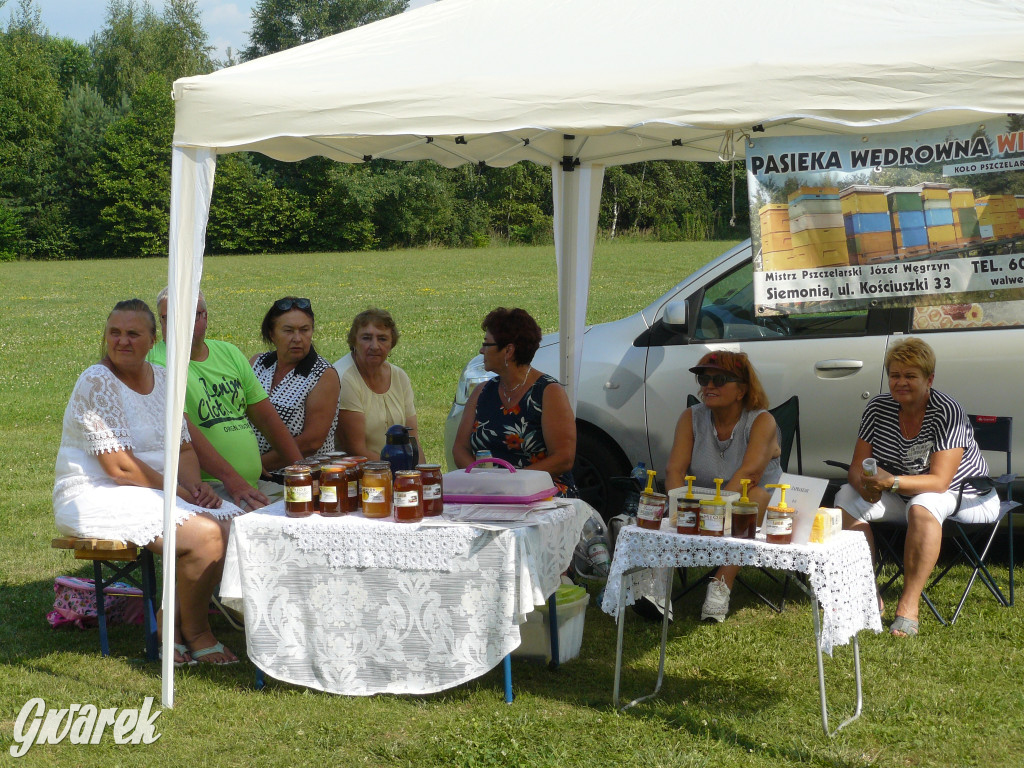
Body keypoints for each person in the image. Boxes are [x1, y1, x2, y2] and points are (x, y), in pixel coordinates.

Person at [54, 299, 243, 665]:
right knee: (205, 535)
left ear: (152, 339)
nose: (122, 341)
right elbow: (120, 468)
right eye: (114, 332)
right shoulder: (96, 381)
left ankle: (168, 621)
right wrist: (180, 492)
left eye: (133, 333)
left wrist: (196, 488)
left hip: (156, 488)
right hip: (97, 492)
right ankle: (195, 632)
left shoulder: (165, 379)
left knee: (234, 523)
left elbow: (184, 449)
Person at [835, 337, 998, 637]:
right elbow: (857, 466)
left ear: (929, 379)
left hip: (966, 495)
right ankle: (868, 595)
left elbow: (939, 482)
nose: (901, 382)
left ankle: (909, 605)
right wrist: (864, 486)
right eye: (895, 375)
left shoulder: (947, 410)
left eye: (910, 376)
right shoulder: (877, 408)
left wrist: (891, 482)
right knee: (845, 496)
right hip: (904, 494)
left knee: (924, 503)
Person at [149, 287, 302, 507]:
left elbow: (267, 419)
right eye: (170, 318)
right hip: (209, 487)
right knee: (276, 520)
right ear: (161, 322)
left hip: (250, 484)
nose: (181, 325)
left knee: (312, 508)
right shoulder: (158, 364)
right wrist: (233, 481)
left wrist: (302, 472)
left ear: (205, 317)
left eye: (191, 316)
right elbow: (184, 432)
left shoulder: (229, 353)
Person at [665, 351, 782, 623]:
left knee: (753, 498)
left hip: (752, 504)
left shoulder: (762, 421)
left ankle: (721, 584)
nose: (708, 386)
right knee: (669, 504)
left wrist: (708, 513)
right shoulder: (690, 417)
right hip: (703, 503)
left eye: (719, 380)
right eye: (703, 379)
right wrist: (681, 509)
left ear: (741, 390)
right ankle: (657, 586)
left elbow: (749, 474)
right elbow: (674, 471)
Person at [453, 307, 577, 495]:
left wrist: (513, 483)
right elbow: (460, 448)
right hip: (489, 492)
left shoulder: (548, 392)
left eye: (486, 344)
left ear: (508, 350)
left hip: (541, 494)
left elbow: (563, 458)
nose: (481, 350)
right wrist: (482, 481)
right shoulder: (481, 392)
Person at [249, 297, 340, 468]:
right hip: (253, 471)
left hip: (302, 475)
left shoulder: (323, 375)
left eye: (304, 330)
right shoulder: (257, 364)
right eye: (288, 331)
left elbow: (311, 443)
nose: (297, 338)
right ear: (272, 334)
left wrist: (256, 466)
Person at [334, 308, 421, 461]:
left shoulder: (399, 376)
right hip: (358, 471)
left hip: (397, 470)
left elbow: (413, 442)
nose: (374, 346)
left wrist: (421, 472)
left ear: (392, 343)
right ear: (354, 341)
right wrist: (398, 471)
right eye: (366, 338)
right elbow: (355, 450)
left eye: (382, 339)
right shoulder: (343, 377)